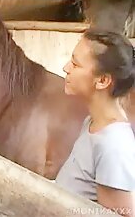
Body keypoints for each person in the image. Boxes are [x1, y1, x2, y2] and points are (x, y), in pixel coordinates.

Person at [56, 28, 135, 217]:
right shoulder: (93, 123)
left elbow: (121, 214)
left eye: (75, 64)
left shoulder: (113, 145)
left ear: (102, 80)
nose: (66, 67)